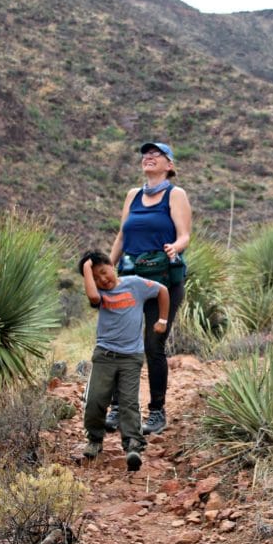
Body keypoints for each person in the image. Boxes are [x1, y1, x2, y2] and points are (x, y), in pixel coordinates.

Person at [106, 141, 191, 436]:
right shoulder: (133, 195)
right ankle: (117, 408)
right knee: (121, 343)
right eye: (146, 154)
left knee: (153, 346)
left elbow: (184, 235)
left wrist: (174, 247)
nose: (149, 158)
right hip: (129, 281)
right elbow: (121, 236)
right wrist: (106, 270)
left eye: (157, 155)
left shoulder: (175, 194)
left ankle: (156, 412)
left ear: (170, 165)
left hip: (163, 282)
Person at [78, 250, 170, 472]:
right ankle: (95, 440)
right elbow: (92, 296)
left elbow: (163, 290)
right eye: (96, 277)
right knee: (95, 400)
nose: (102, 279)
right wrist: (86, 269)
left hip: (131, 357)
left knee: (129, 402)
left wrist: (163, 319)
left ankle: (133, 446)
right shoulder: (98, 293)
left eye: (103, 272)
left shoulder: (134, 284)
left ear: (112, 265)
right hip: (105, 356)